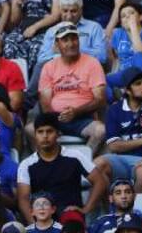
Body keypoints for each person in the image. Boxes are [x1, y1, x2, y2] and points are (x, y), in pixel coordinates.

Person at [17, 112, 107, 222]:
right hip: (42, 218)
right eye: (40, 132)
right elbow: (23, 199)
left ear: (58, 134)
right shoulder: (26, 164)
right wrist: (33, 225)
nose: (45, 136)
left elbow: (99, 182)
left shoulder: (75, 156)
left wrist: (86, 209)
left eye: (49, 131)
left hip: (71, 219)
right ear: (35, 135)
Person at [34, 22, 106, 152]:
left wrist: (76, 112)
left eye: (74, 39)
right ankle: (47, 161)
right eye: (65, 40)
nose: (71, 44)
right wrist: (53, 123)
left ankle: (83, 161)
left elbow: (100, 99)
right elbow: (45, 101)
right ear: (57, 45)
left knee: (100, 130)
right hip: (55, 118)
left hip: (83, 118)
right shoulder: (49, 66)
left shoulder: (92, 63)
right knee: (29, 130)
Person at [95, 68, 142, 194]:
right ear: (127, 90)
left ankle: (135, 207)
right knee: (98, 164)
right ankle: (108, 206)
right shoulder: (114, 110)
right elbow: (114, 146)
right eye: (138, 84)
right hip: (123, 161)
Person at [108, 2, 142, 91]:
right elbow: (117, 59)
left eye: (131, 13)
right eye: (123, 16)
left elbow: (140, 52)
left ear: (140, 17)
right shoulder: (117, 34)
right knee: (104, 81)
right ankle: (117, 97)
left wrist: (133, 27)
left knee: (140, 59)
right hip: (126, 74)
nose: (127, 17)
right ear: (121, 22)